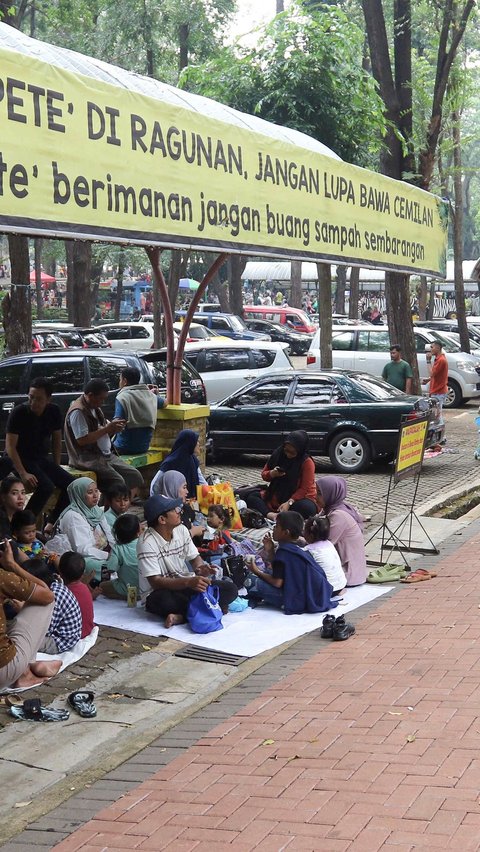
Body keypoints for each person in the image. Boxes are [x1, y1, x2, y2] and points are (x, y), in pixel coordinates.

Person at [137, 494, 237, 628]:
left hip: (186, 585)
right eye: (174, 510)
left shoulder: (181, 530)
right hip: (162, 591)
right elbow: (156, 582)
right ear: (162, 519)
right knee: (161, 601)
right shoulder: (146, 542)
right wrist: (188, 582)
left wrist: (202, 569)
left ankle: (183, 616)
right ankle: (206, 608)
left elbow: (195, 559)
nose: (179, 512)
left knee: (231, 590)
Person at [2, 377, 74, 520]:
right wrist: (23, 473)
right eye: (31, 397)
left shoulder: (53, 411)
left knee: (72, 486)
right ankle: (22, 524)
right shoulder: (19, 412)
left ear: (48, 399)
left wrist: (57, 464)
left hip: (40, 458)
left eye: (39, 399)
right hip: (19, 458)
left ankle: (51, 523)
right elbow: (10, 447)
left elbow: (57, 440)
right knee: (46, 486)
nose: (33, 403)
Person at [64, 378, 144, 497]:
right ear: (90, 395)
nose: (102, 402)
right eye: (101, 399)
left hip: (105, 455)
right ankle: (112, 509)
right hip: (87, 458)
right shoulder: (78, 411)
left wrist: (113, 429)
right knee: (118, 483)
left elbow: (102, 432)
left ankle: (117, 505)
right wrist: (107, 429)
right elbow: (82, 440)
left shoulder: (95, 408)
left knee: (135, 476)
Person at [245, 511, 334, 614]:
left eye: (277, 526)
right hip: (307, 594)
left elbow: (277, 582)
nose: (273, 529)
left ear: (285, 532)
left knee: (251, 580)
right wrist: (270, 551)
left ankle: (258, 598)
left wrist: (256, 571)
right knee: (266, 571)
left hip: (297, 599)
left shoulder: (284, 552)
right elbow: (280, 570)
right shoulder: (297, 548)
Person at [0, 540, 61, 689]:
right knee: (46, 602)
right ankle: (25, 673)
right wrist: (12, 565)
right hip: (4, 671)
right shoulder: (2, 577)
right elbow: (47, 595)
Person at [51, 478, 114, 580]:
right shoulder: (73, 516)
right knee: (103, 566)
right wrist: (108, 556)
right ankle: (106, 584)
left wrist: (117, 551)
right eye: (90, 492)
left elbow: (109, 534)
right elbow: (82, 549)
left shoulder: (95, 510)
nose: (95, 495)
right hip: (83, 558)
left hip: (103, 552)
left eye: (96, 491)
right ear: (79, 494)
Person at [245, 430, 316, 519]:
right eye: (286, 451)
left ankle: (284, 514)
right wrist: (272, 474)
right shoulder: (279, 454)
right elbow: (264, 474)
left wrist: (289, 502)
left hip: (298, 498)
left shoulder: (307, 462)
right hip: (276, 494)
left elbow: (305, 488)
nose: (288, 455)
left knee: (306, 508)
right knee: (252, 497)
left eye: (292, 453)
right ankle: (270, 515)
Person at [316, 476, 367, 586]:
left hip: (348, 574)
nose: (316, 497)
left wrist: (296, 539)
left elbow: (322, 544)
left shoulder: (339, 516)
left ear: (330, 494)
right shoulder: (330, 510)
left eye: (319, 493)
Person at [113, 366, 165, 455]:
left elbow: (117, 423)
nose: (120, 382)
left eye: (120, 380)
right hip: (143, 447)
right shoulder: (150, 395)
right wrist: (153, 393)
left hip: (123, 447)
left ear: (125, 381)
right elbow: (165, 403)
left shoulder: (122, 397)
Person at [151, 429, 207, 499]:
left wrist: (210, 493)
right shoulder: (171, 462)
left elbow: (201, 481)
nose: (199, 444)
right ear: (190, 443)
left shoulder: (193, 460)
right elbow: (155, 485)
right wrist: (158, 503)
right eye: (196, 441)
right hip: (172, 502)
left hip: (191, 501)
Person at [38, 567, 82, 654]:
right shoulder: (55, 585)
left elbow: (45, 631)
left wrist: (23, 610)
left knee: (22, 642)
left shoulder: (53, 597)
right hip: (64, 634)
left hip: (60, 641)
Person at [150, 469, 205, 538]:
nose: (187, 491)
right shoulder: (161, 513)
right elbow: (171, 540)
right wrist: (192, 532)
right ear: (172, 488)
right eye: (184, 487)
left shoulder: (185, 508)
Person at [98, 514, 141, 600]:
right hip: (146, 588)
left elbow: (110, 568)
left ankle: (127, 596)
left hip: (126, 588)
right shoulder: (143, 543)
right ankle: (136, 595)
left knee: (102, 586)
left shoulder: (118, 548)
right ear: (138, 531)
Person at [303, 514, 346, 596]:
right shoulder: (329, 544)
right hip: (340, 586)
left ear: (311, 536)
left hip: (326, 590)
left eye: (304, 531)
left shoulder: (309, 550)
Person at [58, 551, 94, 638]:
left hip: (73, 635)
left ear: (60, 572)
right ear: (82, 574)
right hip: (87, 630)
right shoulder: (84, 588)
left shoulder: (63, 593)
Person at [422, 340, 448, 425]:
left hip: (438, 392)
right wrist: (429, 379)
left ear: (437, 348)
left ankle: (441, 436)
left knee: (437, 415)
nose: (431, 349)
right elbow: (437, 374)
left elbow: (432, 373)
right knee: (436, 414)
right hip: (437, 391)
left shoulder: (441, 360)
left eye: (432, 347)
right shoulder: (439, 359)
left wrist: (428, 361)